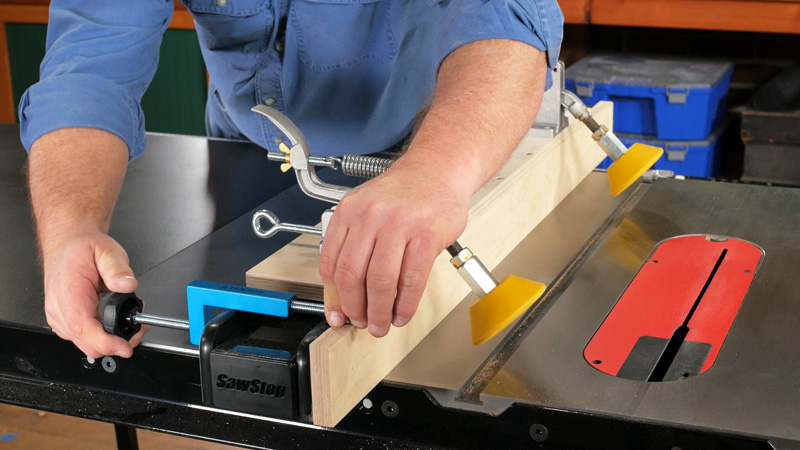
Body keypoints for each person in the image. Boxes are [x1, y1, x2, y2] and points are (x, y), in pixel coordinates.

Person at [20, 0, 563, 359]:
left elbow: (507, 13)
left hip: (426, 148)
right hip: (248, 151)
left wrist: (435, 171)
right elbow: (91, 66)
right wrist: (71, 228)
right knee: (259, 373)